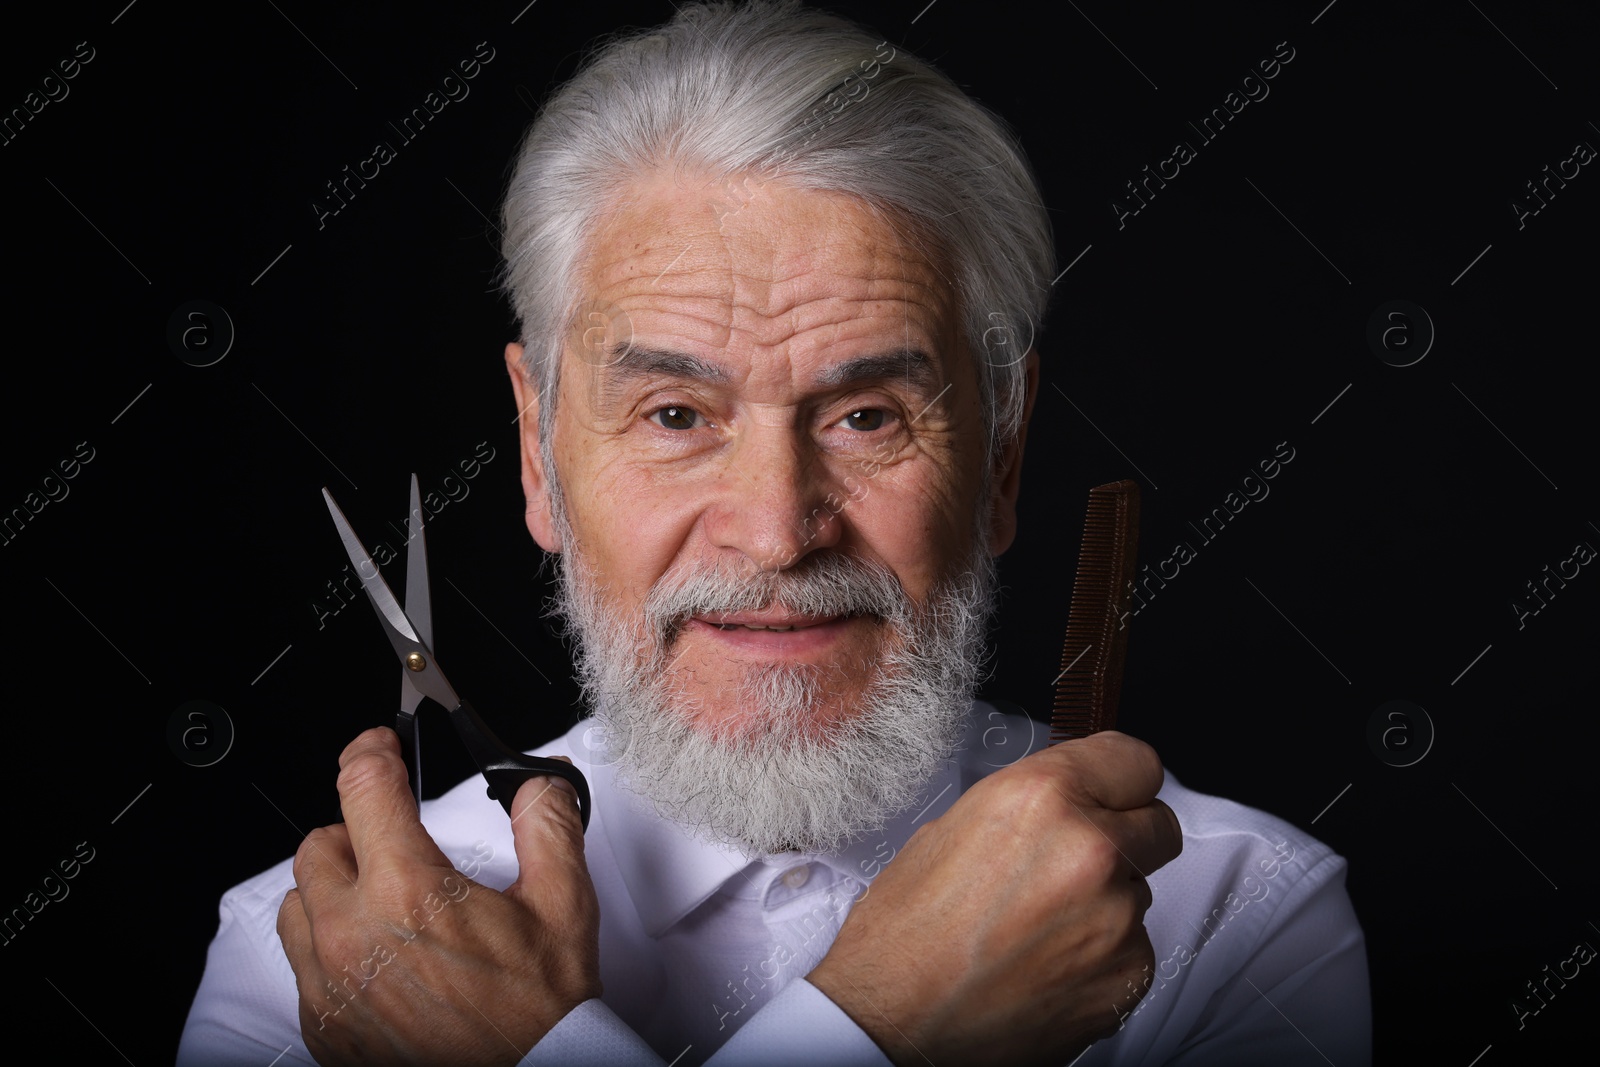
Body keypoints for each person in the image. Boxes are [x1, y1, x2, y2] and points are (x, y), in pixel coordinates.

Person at [178, 2, 1369, 1063]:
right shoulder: (324, 953)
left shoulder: (1232, 917)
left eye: (865, 415)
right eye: (676, 413)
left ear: (1001, 455)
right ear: (539, 453)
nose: (774, 532)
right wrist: (886, 1026)